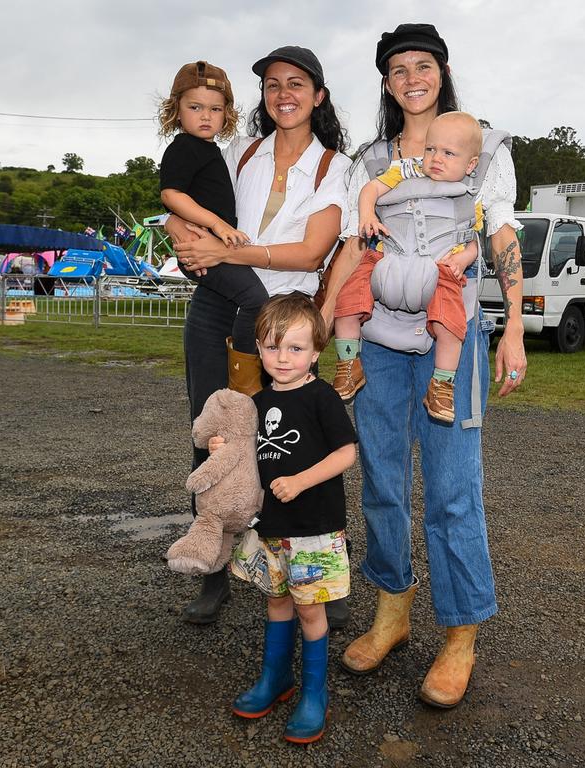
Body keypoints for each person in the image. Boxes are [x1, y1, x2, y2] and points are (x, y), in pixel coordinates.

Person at [318, 23, 528, 709]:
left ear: (441, 71)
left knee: (451, 489)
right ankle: (393, 609)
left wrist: (516, 328)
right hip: (377, 336)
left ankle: (461, 633)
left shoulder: (483, 147)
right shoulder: (371, 160)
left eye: (424, 65)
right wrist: (322, 325)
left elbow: (500, 233)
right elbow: (355, 243)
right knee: (380, 478)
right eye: (399, 68)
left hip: (451, 337)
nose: (412, 77)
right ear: (386, 81)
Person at [165, 46, 351, 626]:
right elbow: (183, 209)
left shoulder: (334, 167)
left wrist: (225, 248)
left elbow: (313, 249)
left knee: (298, 442)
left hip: (284, 319)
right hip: (217, 306)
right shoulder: (238, 153)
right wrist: (186, 241)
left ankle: (318, 579)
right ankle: (214, 565)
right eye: (272, 85)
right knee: (213, 432)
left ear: (318, 95)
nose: (283, 94)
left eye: (296, 84)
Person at [219, 293, 356, 744]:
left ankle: (315, 695)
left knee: (310, 610)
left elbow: (346, 453)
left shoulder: (322, 398)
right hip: (269, 530)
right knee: (276, 602)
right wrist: (227, 451)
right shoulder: (255, 401)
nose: (283, 357)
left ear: (317, 351)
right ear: (258, 348)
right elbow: (248, 458)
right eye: (273, 346)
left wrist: (300, 481)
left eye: (295, 348)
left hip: (312, 530)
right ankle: (275, 679)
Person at [332, 110, 486, 422]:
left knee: (452, 325)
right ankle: (348, 362)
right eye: (431, 149)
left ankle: (442, 384)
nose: (435, 158)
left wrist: (463, 259)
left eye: (448, 153)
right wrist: (368, 216)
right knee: (348, 299)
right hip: (389, 257)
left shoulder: (469, 198)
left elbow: (472, 240)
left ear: (470, 165)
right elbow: (371, 189)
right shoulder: (404, 170)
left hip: (439, 267)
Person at [158, 61, 268, 394]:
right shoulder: (184, 147)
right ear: (177, 109)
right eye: (195, 107)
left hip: (213, 248)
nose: (206, 116)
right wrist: (217, 225)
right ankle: (245, 369)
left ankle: (238, 368)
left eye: (215, 109)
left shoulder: (212, 150)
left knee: (249, 300)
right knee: (256, 299)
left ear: (226, 114)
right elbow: (171, 194)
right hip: (206, 247)